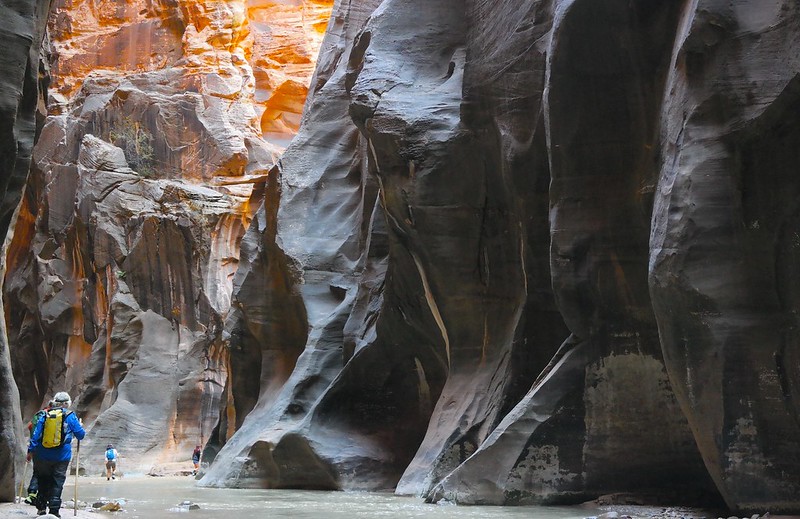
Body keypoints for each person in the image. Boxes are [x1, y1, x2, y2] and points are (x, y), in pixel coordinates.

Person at [28, 392, 85, 518]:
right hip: (61, 457)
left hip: (43, 455)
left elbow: (36, 435)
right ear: (67, 403)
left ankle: (41, 508)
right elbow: (80, 435)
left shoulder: (45, 414)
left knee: (43, 480)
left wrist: (30, 451)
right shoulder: (70, 415)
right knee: (57, 482)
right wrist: (80, 426)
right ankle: (54, 510)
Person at [24, 401, 53, 506]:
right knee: (50, 473)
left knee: (37, 472)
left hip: (36, 448)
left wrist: (30, 451)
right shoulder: (53, 416)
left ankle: (32, 494)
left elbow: (31, 429)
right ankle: (47, 497)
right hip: (50, 448)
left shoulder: (38, 415)